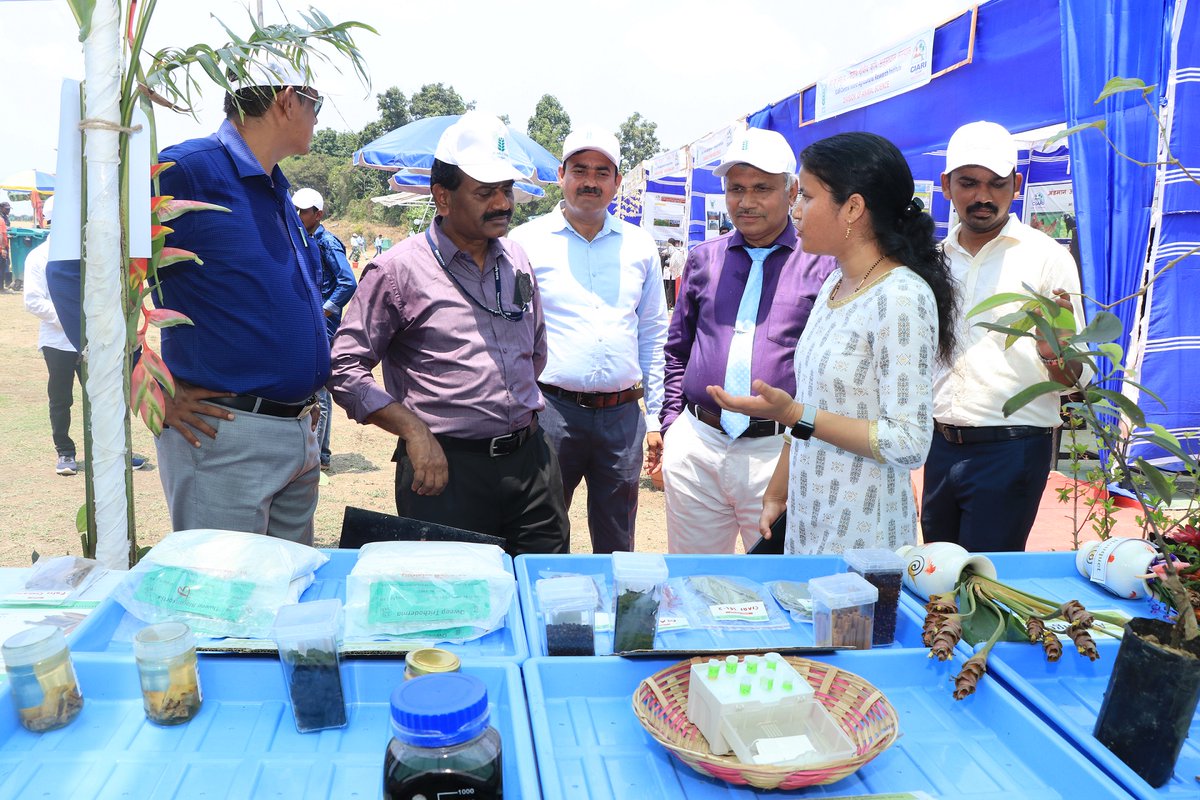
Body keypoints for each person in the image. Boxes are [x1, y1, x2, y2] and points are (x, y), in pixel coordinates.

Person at [329, 112, 569, 556]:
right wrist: (414, 431)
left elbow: (534, 351)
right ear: (442, 197)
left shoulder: (516, 257)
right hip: (443, 471)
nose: (502, 204)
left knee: (544, 593)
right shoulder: (398, 270)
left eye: (506, 190)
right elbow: (344, 367)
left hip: (531, 466)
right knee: (454, 608)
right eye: (484, 193)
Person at [710, 131, 958, 554]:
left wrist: (791, 412)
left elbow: (908, 442)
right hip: (810, 518)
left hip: (863, 534)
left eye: (806, 195)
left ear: (853, 208)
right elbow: (812, 404)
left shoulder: (900, 297)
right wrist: (777, 490)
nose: (796, 209)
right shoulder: (833, 284)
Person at [151, 60, 329, 544]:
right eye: (318, 104)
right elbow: (84, 271)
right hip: (223, 435)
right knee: (227, 607)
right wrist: (145, 387)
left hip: (296, 431)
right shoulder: (185, 171)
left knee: (287, 601)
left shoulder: (275, 186)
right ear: (287, 100)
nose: (319, 118)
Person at [660, 128, 836, 554]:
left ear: (792, 190)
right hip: (698, 447)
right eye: (735, 189)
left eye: (762, 188)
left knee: (777, 584)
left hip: (777, 452)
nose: (747, 201)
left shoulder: (823, 265)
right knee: (693, 580)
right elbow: (678, 349)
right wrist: (671, 427)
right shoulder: (705, 258)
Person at [921, 121, 1089, 552]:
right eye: (969, 183)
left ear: (1016, 185)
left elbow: (1078, 378)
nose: (983, 196)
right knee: (937, 577)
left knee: (987, 584)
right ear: (946, 186)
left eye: (997, 184)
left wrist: (1056, 354)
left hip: (1012, 449)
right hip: (939, 446)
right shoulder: (931, 262)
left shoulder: (1046, 259)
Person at [508, 126, 668, 553]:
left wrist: (654, 417)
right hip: (550, 413)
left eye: (602, 172)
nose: (590, 181)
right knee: (542, 528)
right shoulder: (525, 242)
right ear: (561, 174)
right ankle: (544, 613)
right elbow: (508, 331)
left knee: (618, 536)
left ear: (617, 182)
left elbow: (653, 333)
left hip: (621, 418)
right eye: (580, 169)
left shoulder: (639, 246)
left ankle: (616, 614)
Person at [292, 187, 357, 471]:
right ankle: (321, 454)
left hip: (324, 326)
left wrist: (322, 310)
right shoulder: (304, 239)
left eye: (303, 211)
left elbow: (348, 282)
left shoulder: (327, 242)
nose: (298, 215)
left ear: (318, 215)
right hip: (309, 323)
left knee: (320, 390)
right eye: (296, 210)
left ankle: (317, 457)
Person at [23, 197, 82, 476]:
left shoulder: (87, 252)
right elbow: (33, 301)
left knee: (103, 396)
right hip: (58, 341)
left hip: (89, 338)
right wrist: (71, 319)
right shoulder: (38, 256)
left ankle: (112, 451)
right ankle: (65, 452)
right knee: (61, 398)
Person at [663, 237, 685, 310]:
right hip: (669, 273)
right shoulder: (666, 252)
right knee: (669, 288)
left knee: (670, 288)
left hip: (673, 274)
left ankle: (671, 303)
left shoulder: (676, 253)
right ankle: (670, 303)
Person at [0, 196, 11, 292]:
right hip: (2, 246)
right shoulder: (1, 219)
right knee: (2, 267)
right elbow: (2, 234)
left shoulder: (5, 217)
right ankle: (1, 288)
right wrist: (3, 248)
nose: (8, 211)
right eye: (7, 209)